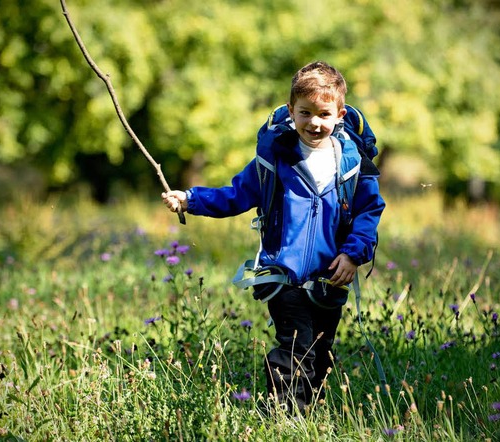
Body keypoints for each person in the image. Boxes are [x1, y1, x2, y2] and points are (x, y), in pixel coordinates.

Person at [162, 61, 385, 413]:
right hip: (284, 275)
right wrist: (190, 200)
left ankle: (310, 413)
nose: (314, 122)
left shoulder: (354, 163)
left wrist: (353, 254)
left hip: (332, 277)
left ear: (339, 113)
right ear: (291, 110)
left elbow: (369, 212)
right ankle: (283, 417)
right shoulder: (274, 160)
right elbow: (235, 195)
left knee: (320, 353)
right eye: (305, 112)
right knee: (295, 347)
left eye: (324, 114)